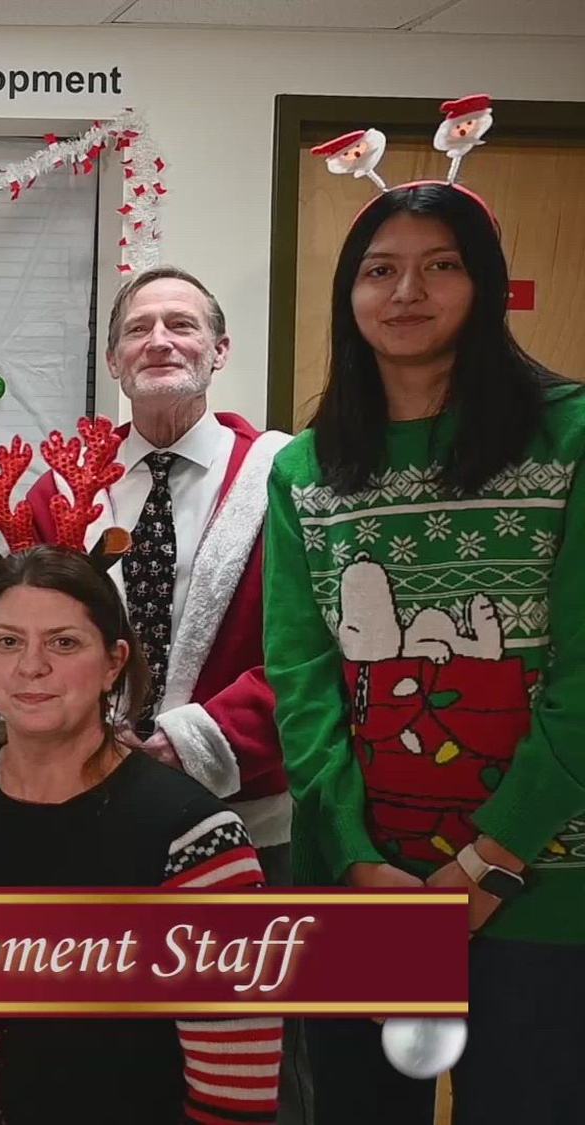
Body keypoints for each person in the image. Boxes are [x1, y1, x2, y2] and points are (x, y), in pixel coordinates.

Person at [267, 147, 585, 1122]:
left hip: (543, 888)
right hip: (361, 882)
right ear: (346, 293)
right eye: (377, 268)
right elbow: (301, 679)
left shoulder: (566, 440)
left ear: (482, 285)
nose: (405, 290)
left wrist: (481, 868)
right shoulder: (305, 471)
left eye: (438, 264)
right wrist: (358, 862)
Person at [0, 421, 280, 1125]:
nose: (32, 667)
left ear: (115, 660)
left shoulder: (194, 840)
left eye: (63, 642)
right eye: (8, 642)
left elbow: (233, 1093)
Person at [26, 267, 294, 870]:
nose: (159, 340)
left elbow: (311, 648)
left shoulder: (285, 480)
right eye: (138, 329)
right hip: (85, 798)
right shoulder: (61, 492)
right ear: (116, 361)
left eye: (182, 325)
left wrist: (193, 743)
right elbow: (28, 643)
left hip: (244, 810)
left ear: (219, 351)